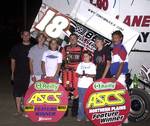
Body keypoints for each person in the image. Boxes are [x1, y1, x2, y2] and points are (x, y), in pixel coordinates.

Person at [10, 30, 32, 115]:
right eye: (24, 35)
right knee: (17, 92)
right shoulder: (16, 47)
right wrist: (12, 73)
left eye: (27, 35)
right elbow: (13, 61)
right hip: (18, 73)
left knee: (28, 92)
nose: (26, 36)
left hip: (30, 74)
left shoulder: (33, 47)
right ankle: (18, 110)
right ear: (21, 36)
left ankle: (27, 110)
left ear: (30, 36)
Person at [61, 33, 84, 117]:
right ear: (69, 39)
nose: (73, 39)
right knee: (65, 91)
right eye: (71, 38)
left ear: (77, 39)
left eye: (74, 38)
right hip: (66, 73)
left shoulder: (81, 48)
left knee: (76, 91)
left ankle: (75, 112)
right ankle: (64, 112)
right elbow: (62, 60)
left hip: (76, 74)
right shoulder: (65, 48)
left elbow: (84, 62)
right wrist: (63, 69)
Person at [110, 30, 128, 124]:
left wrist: (116, 77)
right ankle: (124, 119)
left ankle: (121, 119)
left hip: (119, 77)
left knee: (120, 98)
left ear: (121, 38)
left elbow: (121, 64)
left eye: (116, 37)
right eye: (113, 37)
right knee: (119, 98)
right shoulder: (115, 49)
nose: (114, 39)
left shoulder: (121, 48)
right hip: (116, 76)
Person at [76, 51, 96, 121]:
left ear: (90, 57)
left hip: (89, 86)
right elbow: (76, 74)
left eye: (86, 56)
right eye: (84, 56)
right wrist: (80, 75)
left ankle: (88, 116)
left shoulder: (92, 65)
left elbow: (94, 75)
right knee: (81, 102)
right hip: (81, 85)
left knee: (89, 102)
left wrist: (88, 75)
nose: (85, 58)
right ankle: (80, 116)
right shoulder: (80, 64)